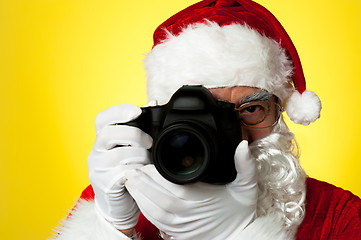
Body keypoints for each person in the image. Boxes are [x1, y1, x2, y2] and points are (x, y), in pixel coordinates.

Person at [50, 0, 361, 239]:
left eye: (251, 109)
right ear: (162, 113)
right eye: (204, 113)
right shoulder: (117, 194)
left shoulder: (340, 214)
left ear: (279, 111)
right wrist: (110, 227)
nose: (232, 134)